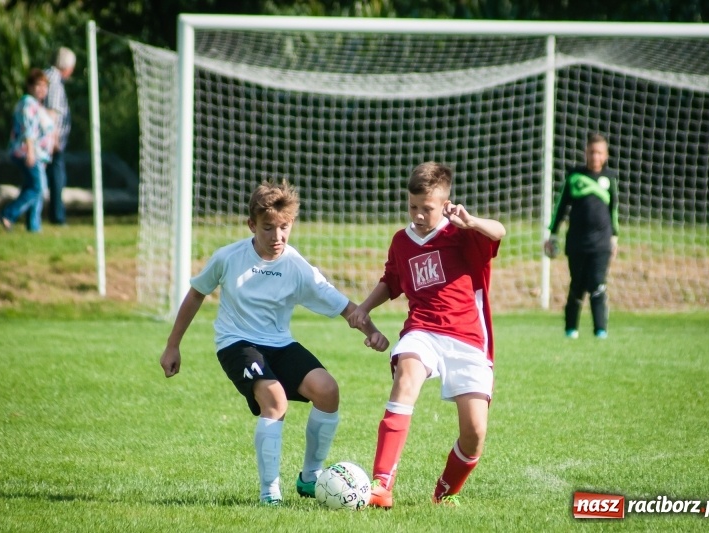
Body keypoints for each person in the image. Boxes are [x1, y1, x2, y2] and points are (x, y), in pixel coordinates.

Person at [159, 180, 390, 506]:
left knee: (328, 390)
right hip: (236, 343)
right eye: (268, 228)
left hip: (279, 343)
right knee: (275, 401)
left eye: (284, 227)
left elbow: (345, 306)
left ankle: (310, 479)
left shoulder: (296, 266)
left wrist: (373, 332)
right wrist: (173, 345)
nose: (277, 236)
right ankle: (270, 494)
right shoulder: (228, 258)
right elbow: (197, 293)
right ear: (252, 225)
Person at [348, 162, 506, 508]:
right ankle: (382, 485)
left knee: (475, 433)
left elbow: (500, 231)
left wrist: (472, 221)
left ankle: (445, 493)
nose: (418, 215)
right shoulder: (402, 241)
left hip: (466, 338)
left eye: (427, 208)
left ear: (445, 203)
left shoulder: (462, 233)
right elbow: (392, 280)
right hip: (422, 329)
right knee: (407, 373)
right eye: (413, 207)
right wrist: (364, 307)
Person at [544, 133, 619, 340]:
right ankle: (571, 330)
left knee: (597, 283)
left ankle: (600, 331)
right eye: (592, 152)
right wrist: (552, 234)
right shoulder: (575, 176)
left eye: (599, 153)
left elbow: (614, 210)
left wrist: (615, 237)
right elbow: (560, 207)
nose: (595, 156)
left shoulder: (609, 178)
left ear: (605, 155)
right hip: (576, 241)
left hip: (602, 242)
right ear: (586, 153)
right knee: (576, 284)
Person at [0, 68, 55, 233]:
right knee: (38, 188)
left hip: (39, 154)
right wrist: (30, 152)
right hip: (27, 152)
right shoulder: (27, 104)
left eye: (45, 86)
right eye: (38, 85)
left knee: (31, 188)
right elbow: (28, 130)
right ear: (30, 86)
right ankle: (8, 214)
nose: (42, 89)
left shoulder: (37, 105)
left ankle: (33, 225)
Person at [43, 47, 76, 226]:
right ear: (66, 66)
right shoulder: (54, 81)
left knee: (45, 178)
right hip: (52, 141)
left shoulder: (45, 75)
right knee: (57, 178)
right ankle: (57, 217)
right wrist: (54, 139)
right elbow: (52, 113)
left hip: (46, 139)